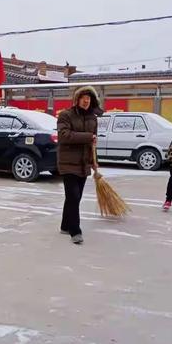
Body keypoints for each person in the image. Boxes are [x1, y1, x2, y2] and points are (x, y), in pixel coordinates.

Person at [57, 86, 102, 244]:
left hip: (83, 164)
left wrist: (94, 161)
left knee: (75, 198)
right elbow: (64, 136)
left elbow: (93, 142)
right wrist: (89, 137)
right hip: (68, 162)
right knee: (73, 196)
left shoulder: (93, 118)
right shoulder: (65, 115)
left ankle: (65, 225)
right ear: (77, 100)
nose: (86, 100)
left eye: (89, 98)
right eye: (83, 98)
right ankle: (75, 231)